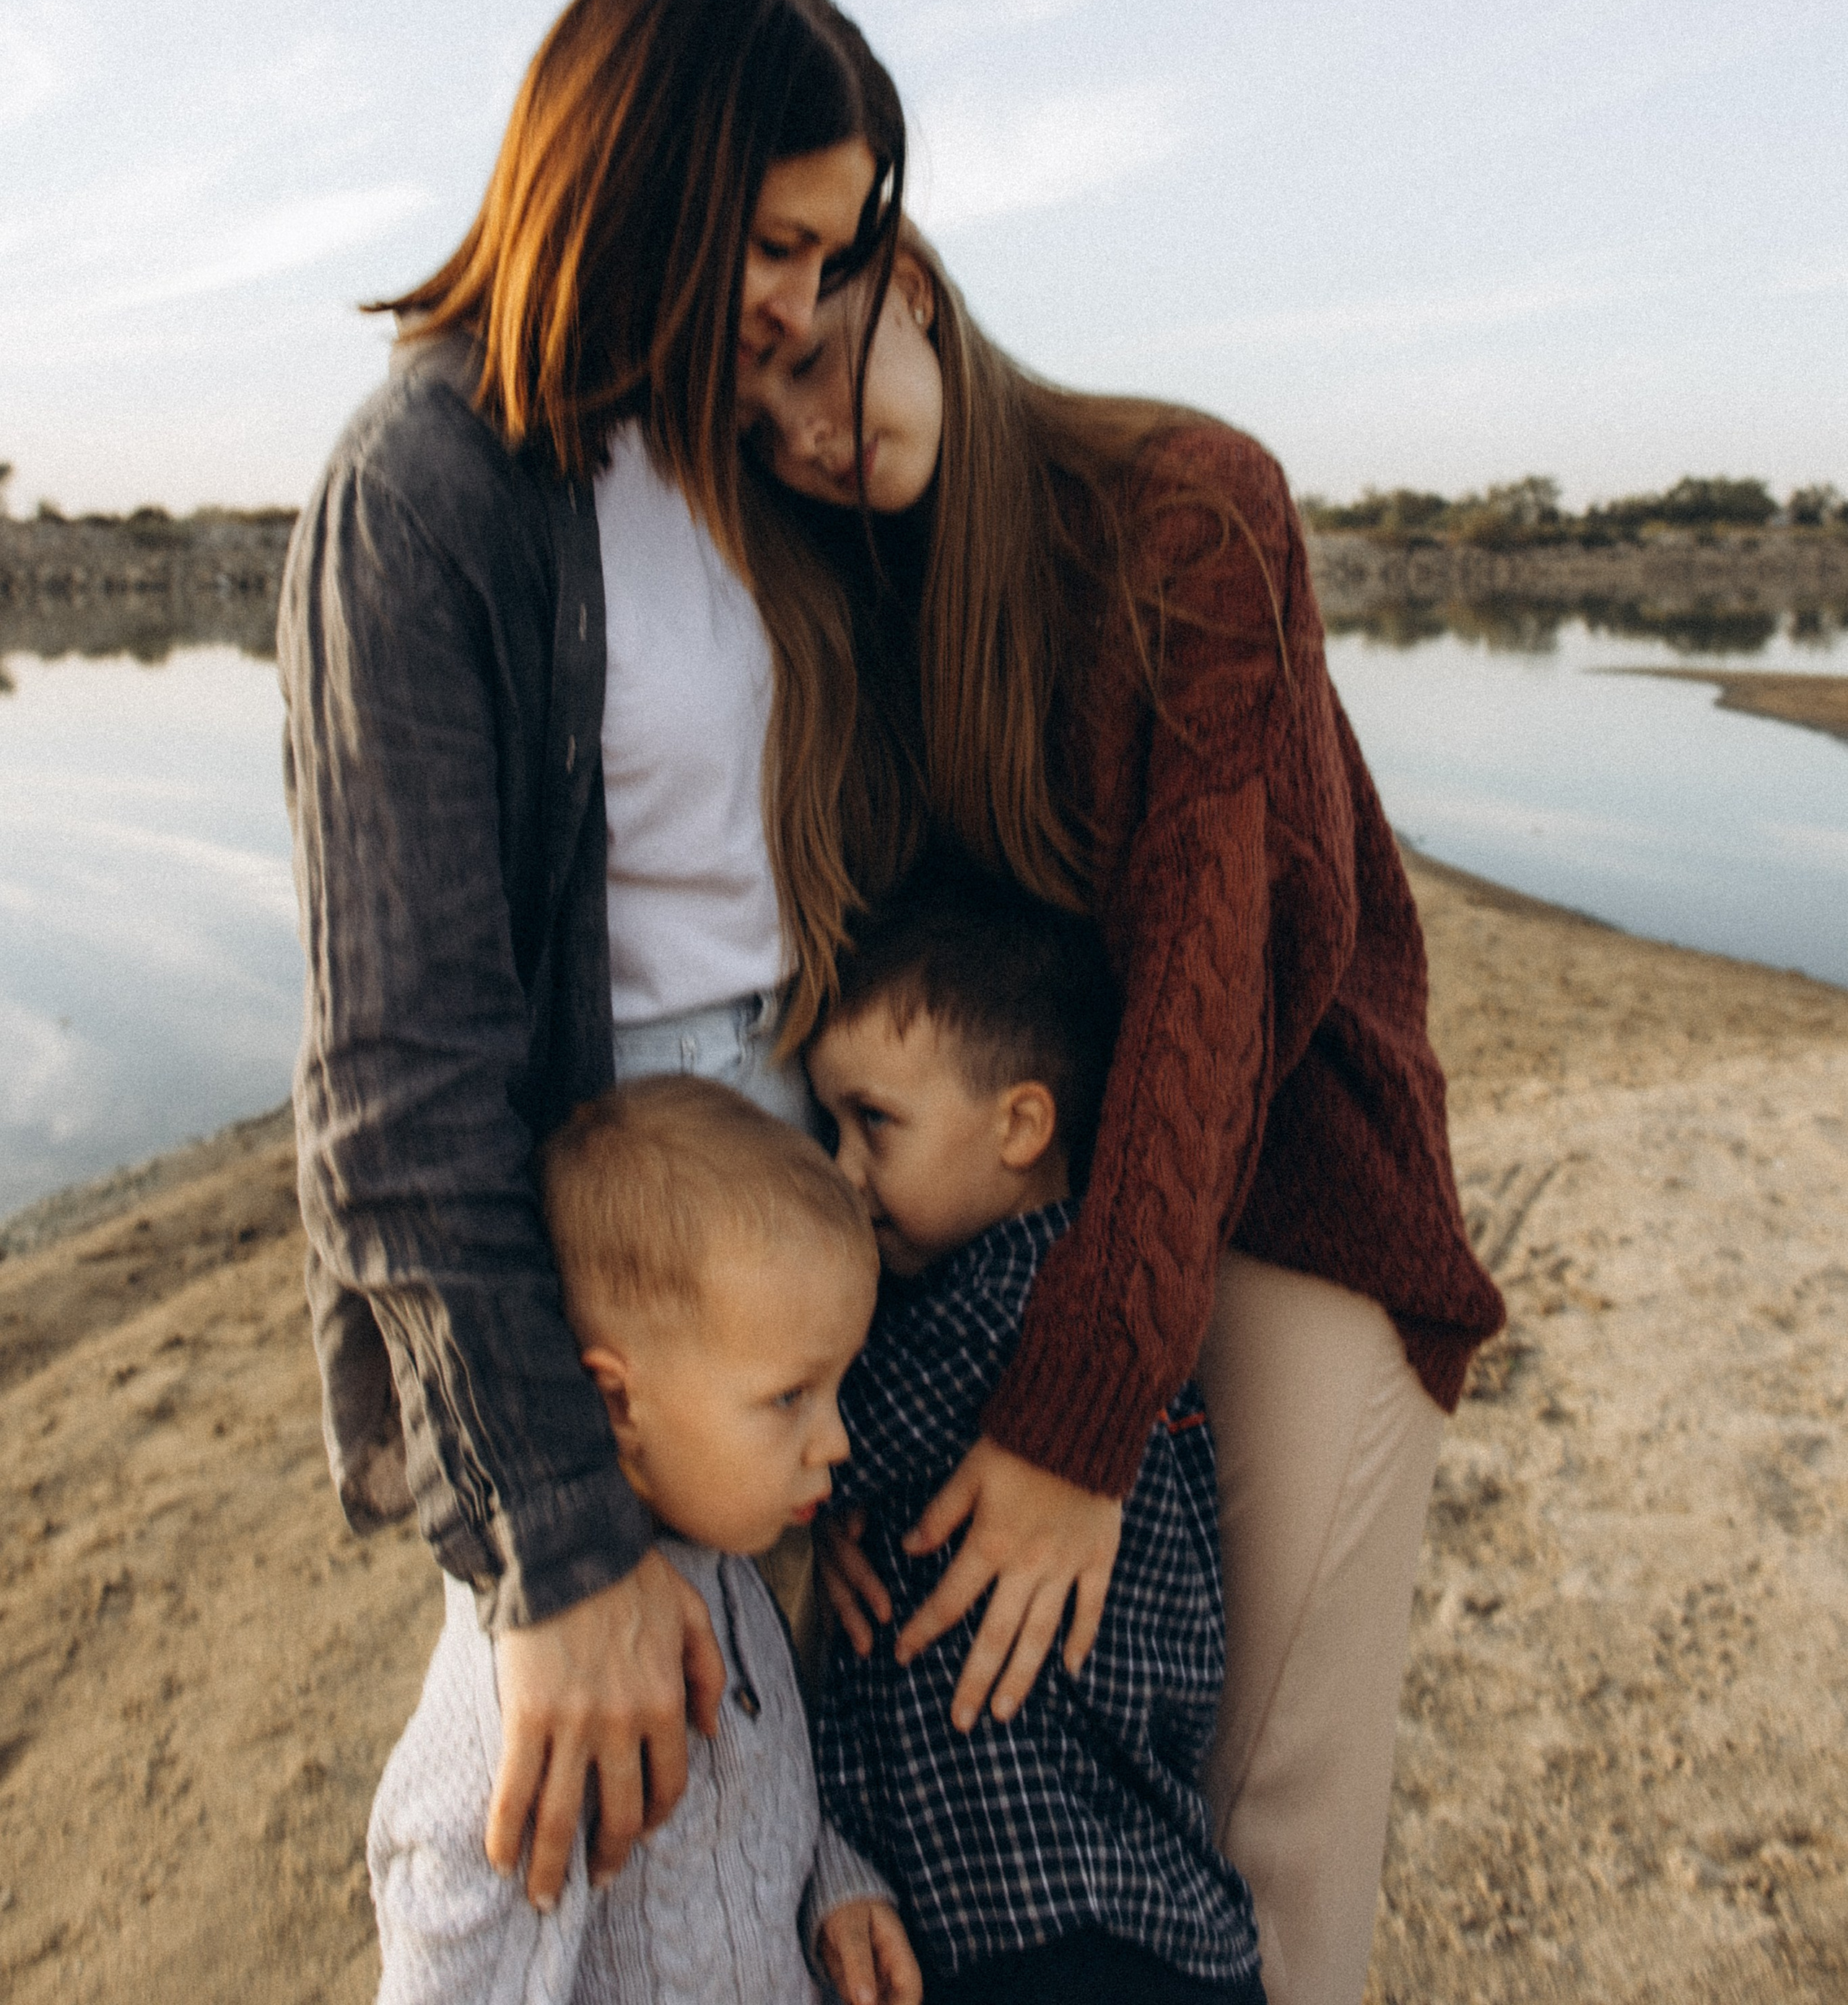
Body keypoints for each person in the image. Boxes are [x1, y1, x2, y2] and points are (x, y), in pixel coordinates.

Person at [737, 233, 1507, 2005]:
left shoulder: (1191, 507)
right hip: (1015, 1211)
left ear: (904, 282)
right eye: (758, 424)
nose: (807, 437)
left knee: (1254, 1818)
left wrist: (1083, 1417)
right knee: (1010, 1743)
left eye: (812, 363)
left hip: (1291, 1183)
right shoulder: (846, 606)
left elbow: (1208, 995)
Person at [279, 0, 905, 1915]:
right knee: (573, 1832)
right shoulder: (427, 485)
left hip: (800, 1195)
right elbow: (396, 1078)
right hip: (614, 1238)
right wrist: (549, 1532)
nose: (801, 302)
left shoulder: (749, 457)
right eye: (775, 245)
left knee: (769, 1790)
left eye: (836, 255)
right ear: (646, 179)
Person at [806, 861, 1266, 2005]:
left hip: (1044, 1919)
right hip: (1157, 1923)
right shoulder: (1100, 1314)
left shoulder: (995, 1305)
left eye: (873, 1124)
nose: (839, 1171)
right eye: (828, 1126)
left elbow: (792, 1449)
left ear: (1020, 1125)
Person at [369, 1076, 924, 2005]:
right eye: (790, 1397)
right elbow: (441, 1934)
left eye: (835, 1388)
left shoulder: (731, 1569)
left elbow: (755, 1796)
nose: (836, 1440)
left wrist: (835, 1884)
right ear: (620, 1403)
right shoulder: (536, 1676)